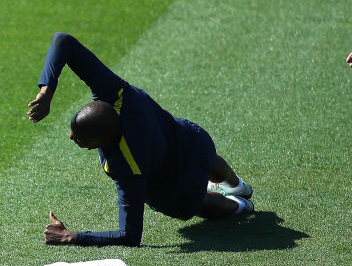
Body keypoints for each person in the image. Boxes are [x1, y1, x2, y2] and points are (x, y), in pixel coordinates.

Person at [27, 32, 254, 246]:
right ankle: (238, 186)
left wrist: (70, 236)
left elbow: (129, 235)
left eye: (79, 138)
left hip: (177, 188)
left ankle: (239, 206)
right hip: (192, 140)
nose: (70, 137)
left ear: (103, 140)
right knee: (204, 154)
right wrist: (47, 90)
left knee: (196, 202)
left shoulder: (127, 165)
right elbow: (63, 41)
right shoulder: (116, 94)